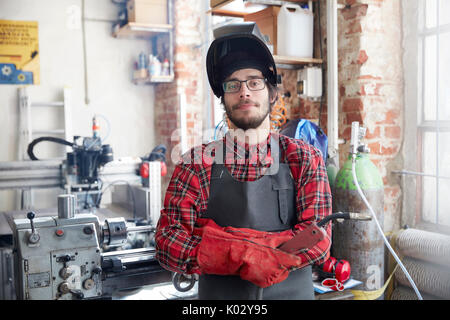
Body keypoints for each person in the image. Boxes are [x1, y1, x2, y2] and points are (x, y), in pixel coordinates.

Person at [155, 22, 332, 300]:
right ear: (223, 97)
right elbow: (168, 243)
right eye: (233, 84)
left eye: (254, 82)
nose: (244, 92)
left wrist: (215, 242)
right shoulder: (196, 164)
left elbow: (318, 240)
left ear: (272, 93)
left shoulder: (304, 158)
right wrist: (241, 255)